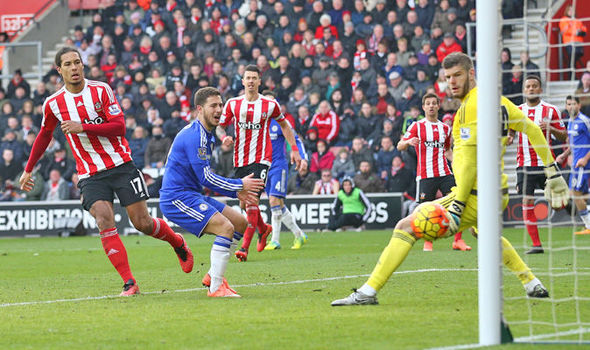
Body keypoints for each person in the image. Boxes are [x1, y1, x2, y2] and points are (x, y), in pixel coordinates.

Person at [331, 52, 568, 306]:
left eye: (457, 75)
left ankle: (367, 292)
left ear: (471, 74)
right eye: (447, 78)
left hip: (475, 195)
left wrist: (457, 205)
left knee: (405, 227)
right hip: (496, 191)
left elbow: (466, 163)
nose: (451, 82)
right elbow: (531, 128)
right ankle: (531, 282)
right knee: (482, 232)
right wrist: (552, 171)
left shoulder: (468, 109)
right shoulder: (496, 100)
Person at [19, 47, 194, 296]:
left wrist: (83, 127)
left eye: (77, 62)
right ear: (59, 70)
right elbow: (45, 135)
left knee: (142, 223)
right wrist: (28, 169)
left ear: (83, 65)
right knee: (103, 219)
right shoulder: (53, 103)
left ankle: (177, 242)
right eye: (67, 64)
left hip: (121, 165)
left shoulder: (101, 90)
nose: (74, 68)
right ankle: (129, 282)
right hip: (90, 173)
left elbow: (119, 127)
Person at [159, 87, 265, 297]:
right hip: (176, 198)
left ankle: (212, 274)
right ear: (200, 109)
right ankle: (216, 287)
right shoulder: (195, 136)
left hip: (192, 195)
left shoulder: (208, 134)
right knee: (226, 228)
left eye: (220, 105)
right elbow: (205, 178)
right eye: (213, 106)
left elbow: (204, 176)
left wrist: (237, 191)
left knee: (241, 224)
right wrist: (239, 186)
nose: (219, 110)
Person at [216, 65, 302, 262]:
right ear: (243, 81)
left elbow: (285, 126)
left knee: (252, 199)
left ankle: (245, 247)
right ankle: (263, 230)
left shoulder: (270, 105)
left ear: (259, 81)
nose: (251, 81)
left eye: (255, 78)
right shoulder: (232, 104)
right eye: (248, 78)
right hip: (240, 159)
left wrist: (294, 150)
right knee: (244, 204)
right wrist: (224, 138)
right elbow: (220, 127)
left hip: (262, 158)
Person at [397, 92, 471, 252]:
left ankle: (458, 240)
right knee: (424, 210)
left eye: (434, 103)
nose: (431, 106)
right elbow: (399, 145)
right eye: (428, 103)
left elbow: (448, 152)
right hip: (425, 175)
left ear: (438, 106)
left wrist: (459, 164)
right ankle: (427, 243)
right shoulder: (417, 126)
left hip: (444, 173)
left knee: (459, 202)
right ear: (424, 107)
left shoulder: (445, 128)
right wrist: (408, 141)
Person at [507, 75, 567, 253]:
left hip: (546, 163)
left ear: (540, 89)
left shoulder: (551, 110)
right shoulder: (517, 111)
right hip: (524, 164)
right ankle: (536, 245)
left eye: (534, 86)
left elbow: (563, 136)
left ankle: (572, 207)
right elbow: (511, 132)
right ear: (524, 90)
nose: (531, 89)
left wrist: (551, 128)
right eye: (528, 86)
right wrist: (509, 137)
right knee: (527, 200)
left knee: (559, 201)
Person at [260, 91, 310, 251]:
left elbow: (296, 140)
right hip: (263, 168)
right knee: (278, 204)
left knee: (274, 201)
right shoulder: (258, 124)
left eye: (272, 102)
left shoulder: (280, 122)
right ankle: (299, 234)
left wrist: (303, 158)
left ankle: (275, 240)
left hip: (278, 166)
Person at [556, 96, 590, 235]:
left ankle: (589, 225)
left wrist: (585, 159)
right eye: (568, 104)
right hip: (575, 164)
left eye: (573, 104)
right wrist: (564, 155)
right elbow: (573, 144)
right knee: (578, 194)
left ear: (579, 105)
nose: (571, 107)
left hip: (583, 164)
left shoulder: (584, 121)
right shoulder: (570, 122)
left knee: (575, 194)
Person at [559, 5, 587, 80]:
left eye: (572, 10)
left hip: (579, 43)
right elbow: (564, 31)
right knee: (572, 59)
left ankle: (572, 76)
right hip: (570, 43)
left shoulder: (577, 20)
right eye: (569, 10)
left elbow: (584, 29)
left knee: (575, 58)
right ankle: (571, 77)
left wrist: (579, 32)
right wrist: (575, 32)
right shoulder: (564, 20)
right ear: (567, 11)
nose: (571, 12)